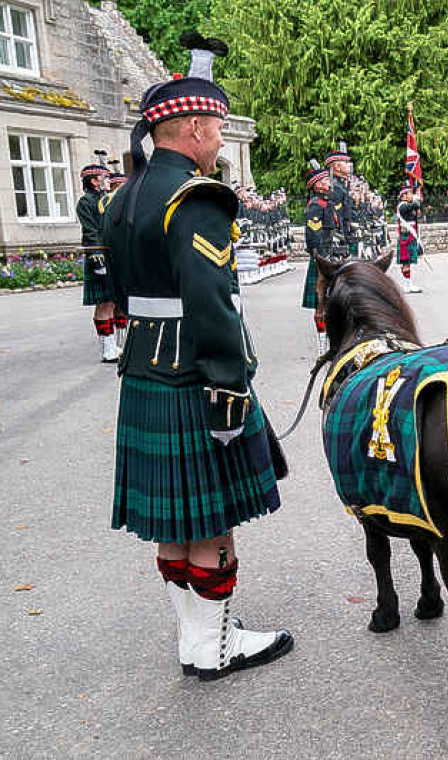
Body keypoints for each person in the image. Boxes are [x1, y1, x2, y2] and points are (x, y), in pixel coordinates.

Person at [101, 31, 292, 679]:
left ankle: (195, 638)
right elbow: (214, 307)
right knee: (210, 522)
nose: (218, 140)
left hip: (144, 371)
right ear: (189, 129)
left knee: (174, 523)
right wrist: (230, 392)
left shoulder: (122, 197)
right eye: (214, 127)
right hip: (193, 374)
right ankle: (214, 650)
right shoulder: (195, 198)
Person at [77, 160, 120, 363]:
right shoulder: (85, 202)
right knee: (104, 303)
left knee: (113, 301)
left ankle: (116, 344)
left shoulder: (108, 199)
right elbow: (91, 230)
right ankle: (107, 349)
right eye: (105, 178)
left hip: (113, 255)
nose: (108, 181)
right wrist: (97, 258)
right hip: (99, 255)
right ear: (94, 181)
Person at [302, 162, 338, 353]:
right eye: (324, 180)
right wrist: (321, 259)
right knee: (321, 302)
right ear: (315, 184)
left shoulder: (327, 202)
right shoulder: (316, 205)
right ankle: (322, 343)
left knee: (332, 300)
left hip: (330, 255)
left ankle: (332, 339)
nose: (328, 182)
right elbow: (314, 235)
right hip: (321, 258)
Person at [326, 144, 356, 254]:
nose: (349, 165)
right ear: (337, 167)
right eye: (346, 162)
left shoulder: (341, 186)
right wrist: (339, 236)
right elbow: (334, 216)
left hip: (344, 232)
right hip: (336, 235)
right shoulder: (335, 187)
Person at [396, 186, 424, 293]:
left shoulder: (408, 206)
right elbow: (416, 204)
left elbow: (416, 212)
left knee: (408, 262)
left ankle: (408, 283)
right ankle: (407, 284)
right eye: (409, 193)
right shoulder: (402, 206)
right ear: (403, 196)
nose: (411, 195)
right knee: (406, 262)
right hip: (405, 237)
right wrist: (417, 197)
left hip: (410, 236)